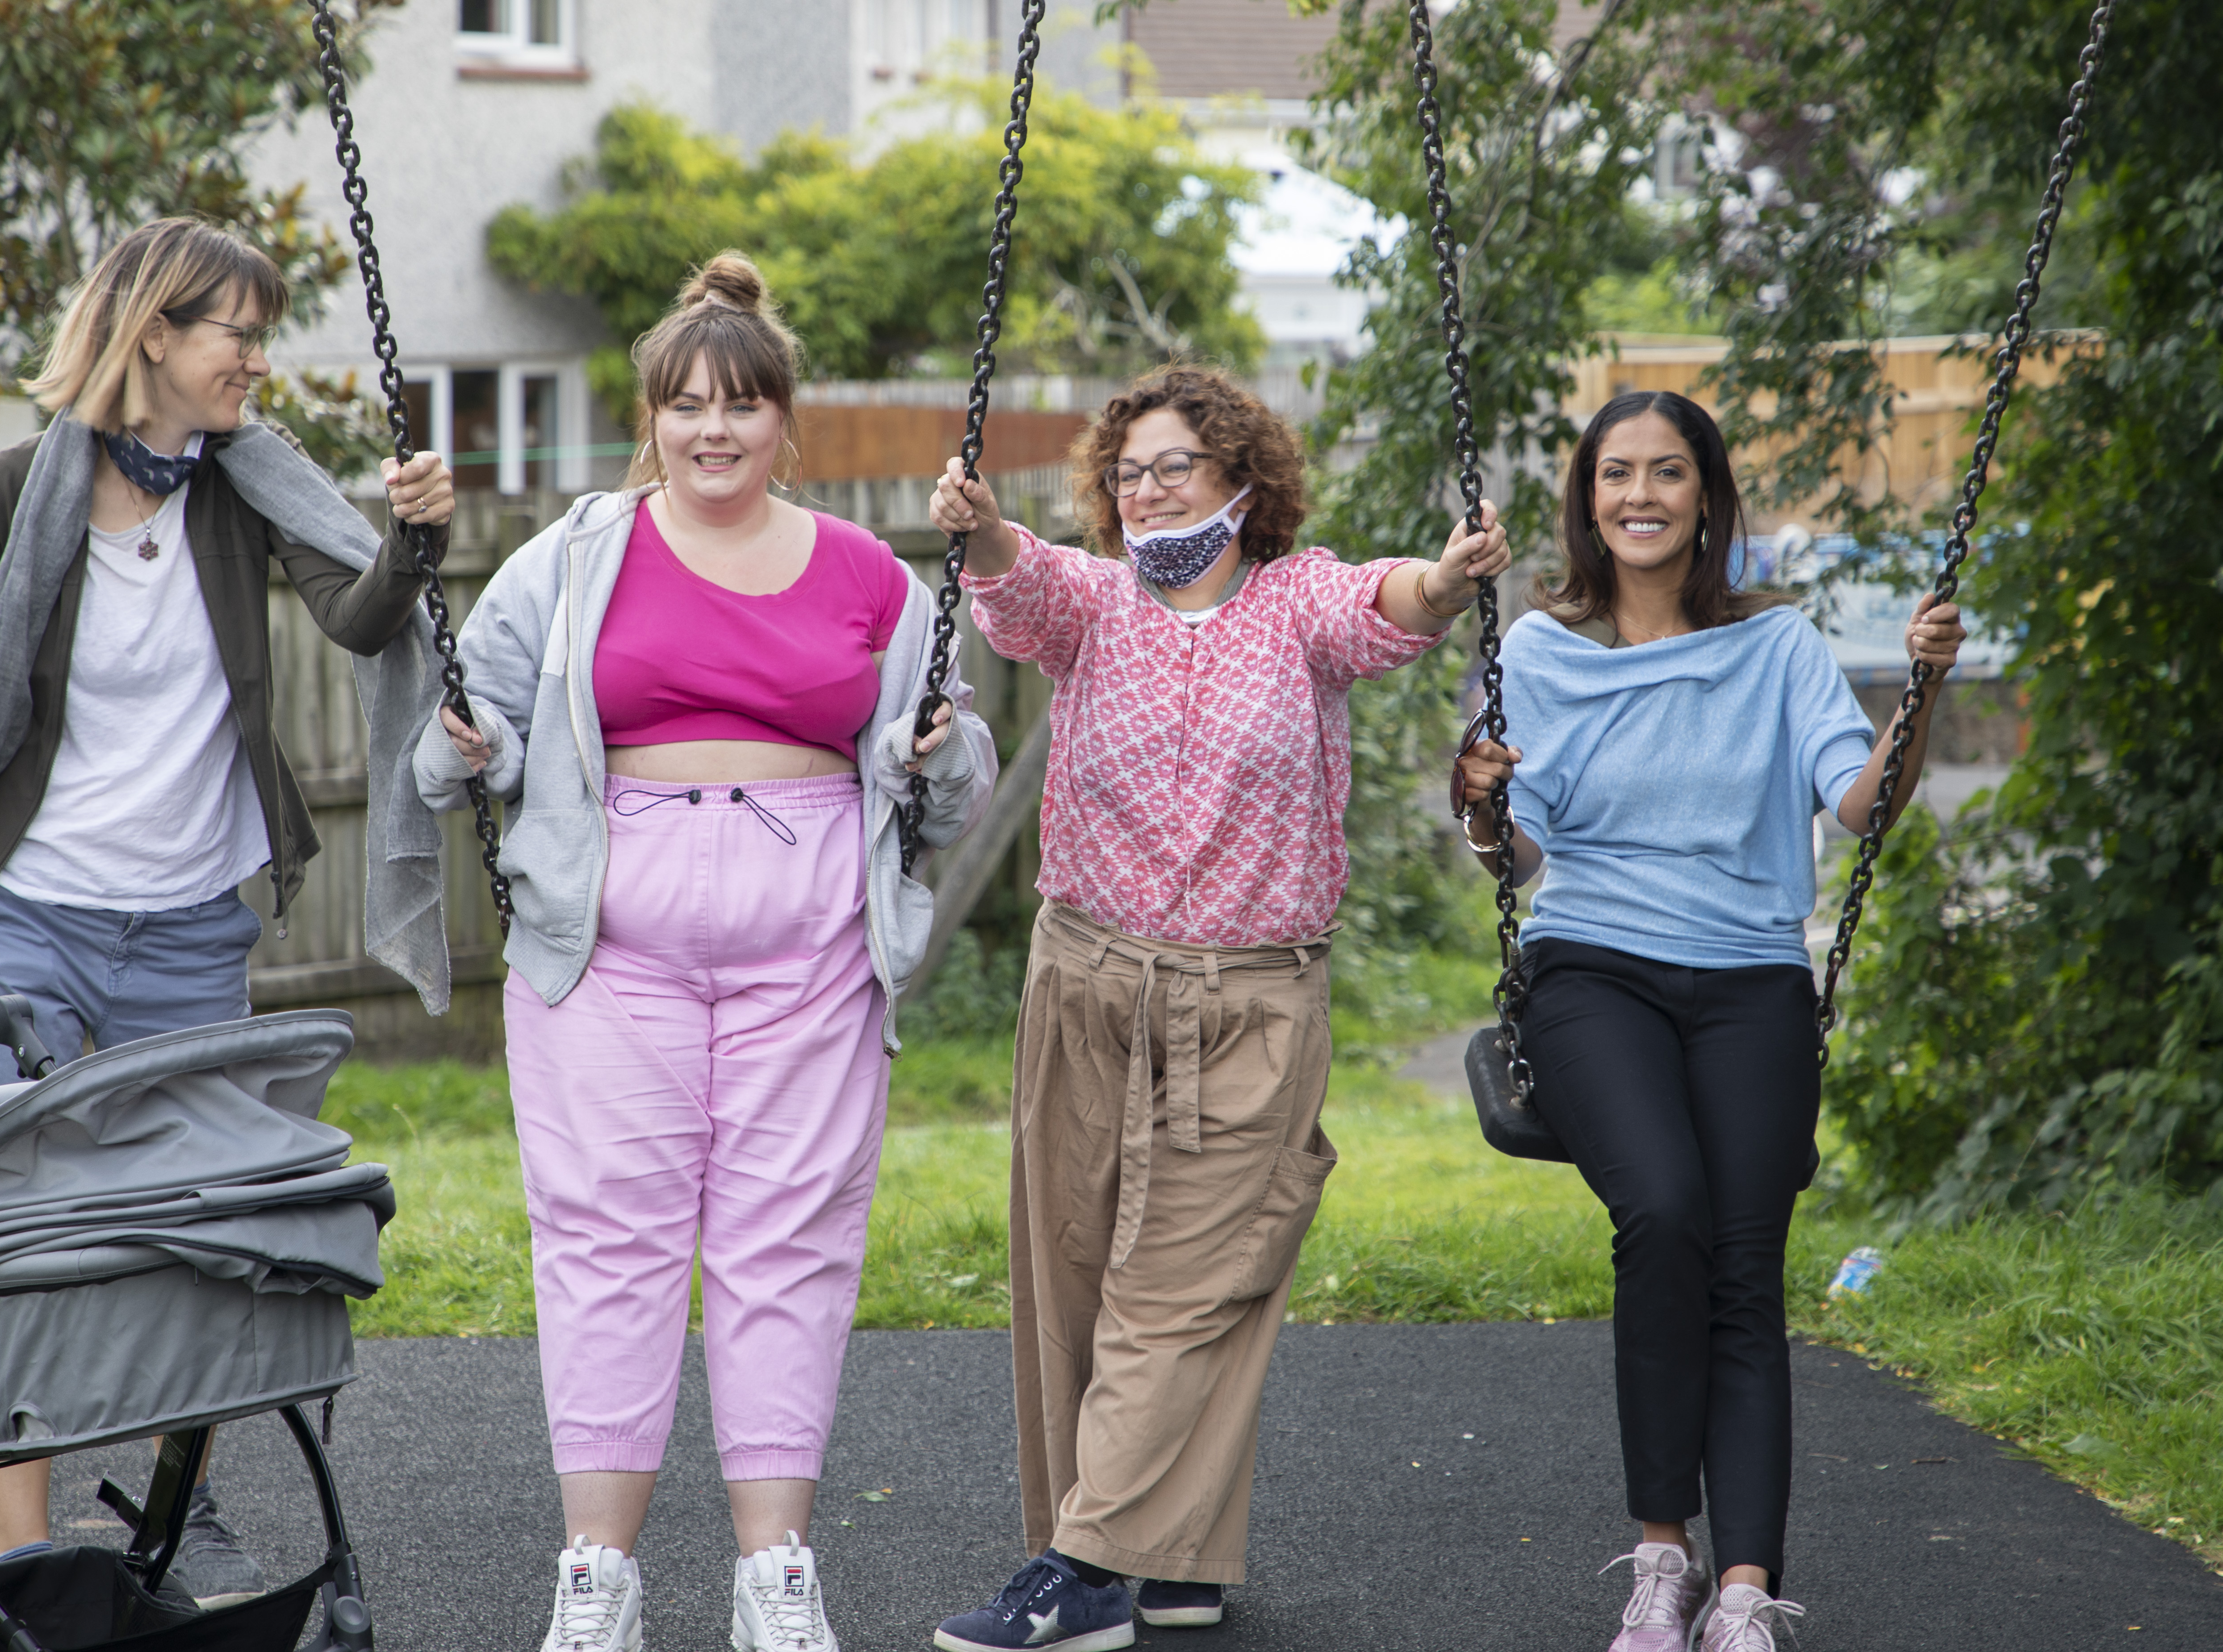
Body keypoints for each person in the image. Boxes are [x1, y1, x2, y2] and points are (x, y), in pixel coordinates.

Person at [0, 215, 457, 1609]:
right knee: (10, 1238)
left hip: (187, 929)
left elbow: (359, 619)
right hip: (20, 919)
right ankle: (27, 1560)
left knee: (196, 1232)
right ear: (155, 334)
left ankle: (185, 1508)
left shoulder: (245, 486)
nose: (257, 359)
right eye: (239, 331)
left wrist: (415, 542)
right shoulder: (8, 495)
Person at [413, 252, 996, 1652]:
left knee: (788, 1241)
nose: (712, 430)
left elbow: (955, 776)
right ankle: (596, 1577)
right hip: (609, 936)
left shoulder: (869, 573)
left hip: (812, 940)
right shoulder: (570, 558)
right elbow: (458, 740)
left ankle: (775, 1573)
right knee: (603, 1237)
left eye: (740, 404)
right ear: (652, 419)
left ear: (783, 419)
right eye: (685, 405)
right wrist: (465, 743)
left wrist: (938, 748)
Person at [923, 364, 1512, 1651]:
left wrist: (1450, 576)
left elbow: (1393, 605)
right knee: (1074, 1277)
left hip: (1245, 1002)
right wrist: (979, 527)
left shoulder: (1298, 603)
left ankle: (1083, 1570)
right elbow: (1019, 581)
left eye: (1174, 467)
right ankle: (1171, 1557)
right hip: (1085, 985)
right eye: (1127, 472)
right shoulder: (1094, 604)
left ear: (1242, 480)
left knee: (1184, 1288)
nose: (1147, 491)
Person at [1452, 390, 1967, 1652]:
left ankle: (1741, 1593)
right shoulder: (1539, 651)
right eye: (1615, 473)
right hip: (1592, 971)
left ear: (1707, 496)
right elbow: (1519, 852)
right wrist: (1480, 806)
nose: (1640, 494)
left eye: (1667, 472)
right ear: (1588, 501)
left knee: (1743, 1266)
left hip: (1747, 976)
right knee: (1664, 1210)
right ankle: (1658, 1559)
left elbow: (1860, 806)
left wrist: (1922, 689)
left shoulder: (1779, 647)